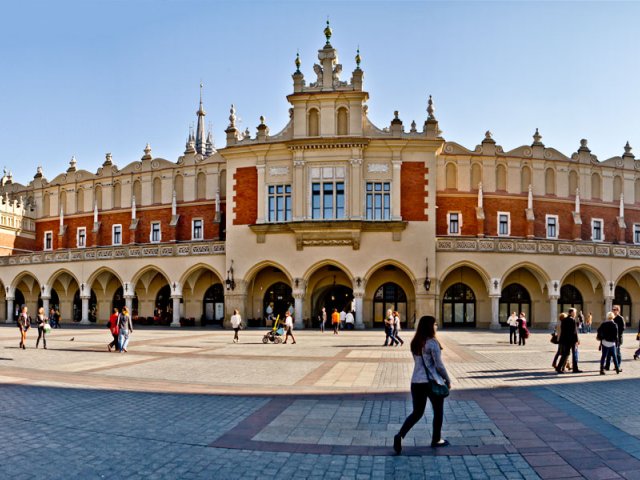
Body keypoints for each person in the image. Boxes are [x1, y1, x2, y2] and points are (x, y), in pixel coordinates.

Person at [394, 316, 451, 454]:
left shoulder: (415, 342)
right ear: (430, 326)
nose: (436, 326)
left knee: (417, 413)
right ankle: (436, 439)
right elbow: (439, 365)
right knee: (438, 412)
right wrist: (447, 379)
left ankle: (400, 435)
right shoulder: (432, 343)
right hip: (431, 382)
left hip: (416, 382)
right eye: (435, 324)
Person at [556, 308, 582, 373]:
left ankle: (559, 367)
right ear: (571, 313)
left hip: (565, 340)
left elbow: (563, 331)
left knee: (565, 354)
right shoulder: (572, 320)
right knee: (574, 354)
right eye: (574, 312)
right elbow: (574, 332)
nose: (575, 314)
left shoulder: (564, 320)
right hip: (572, 340)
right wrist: (576, 341)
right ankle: (575, 369)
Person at [606, 305, 625, 370]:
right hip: (611, 338)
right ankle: (607, 366)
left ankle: (617, 365)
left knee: (617, 353)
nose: (613, 311)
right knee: (609, 352)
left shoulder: (620, 318)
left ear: (618, 310)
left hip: (618, 339)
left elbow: (623, 328)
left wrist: (616, 334)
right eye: (613, 309)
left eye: (615, 310)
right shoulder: (612, 318)